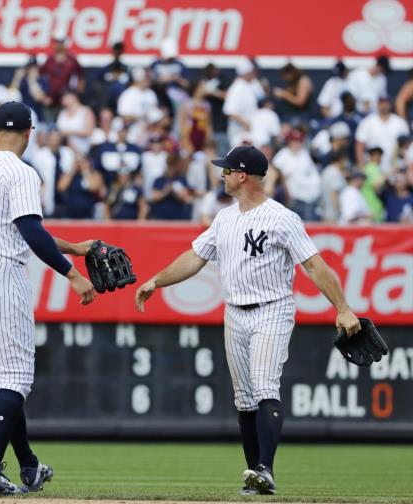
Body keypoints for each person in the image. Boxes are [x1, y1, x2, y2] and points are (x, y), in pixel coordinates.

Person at [134, 145, 362, 496]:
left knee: (265, 387)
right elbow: (195, 257)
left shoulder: (282, 218)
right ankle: (257, 478)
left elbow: (314, 265)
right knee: (244, 400)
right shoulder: (225, 217)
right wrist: (156, 281)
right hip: (234, 312)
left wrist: (342, 307)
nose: (221, 174)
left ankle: (265, 470)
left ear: (243, 175)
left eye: (227, 170)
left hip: (272, 308)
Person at [0, 101, 97, 497]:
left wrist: (73, 248)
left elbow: (17, 228)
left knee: (5, 381)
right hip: (1, 276)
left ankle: (28, 466)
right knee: (15, 380)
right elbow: (30, 232)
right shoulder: (22, 171)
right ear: (30, 133)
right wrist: (73, 275)